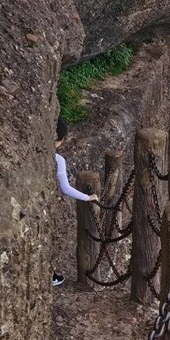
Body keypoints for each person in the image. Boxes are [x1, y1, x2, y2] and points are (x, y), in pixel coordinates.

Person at [53, 117, 98, 286]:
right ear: (60, 139)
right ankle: (50, 276)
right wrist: (88, 197)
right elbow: (65, 188)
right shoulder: (58, 160)